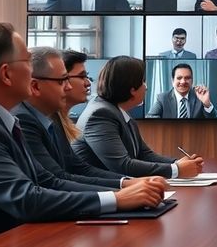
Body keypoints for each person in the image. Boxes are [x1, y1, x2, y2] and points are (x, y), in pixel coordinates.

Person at [0, 23, 165, 245]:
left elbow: (46, 180)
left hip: (5, 241)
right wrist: (117, 200)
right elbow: (26, 199)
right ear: (6, 74)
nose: (32, 69)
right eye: (27, 60)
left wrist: (121, 193)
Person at [14, 47, 165, 190]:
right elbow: (54, 180)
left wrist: (127, 183)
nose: (68, 87)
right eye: (62, 80)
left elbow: (78, 167)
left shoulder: (52, 118)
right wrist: (122, 193)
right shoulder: (24, 119)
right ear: (35, 86)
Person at [72, 55, 205, 178]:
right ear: (131, 89)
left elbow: (144, 154)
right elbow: (122, 166)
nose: (146, 88)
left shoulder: (116, 110)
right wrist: (176, 169)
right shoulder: (100, 114)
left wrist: (179, 162)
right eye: (142, 82)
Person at [146, 64, 217, 119]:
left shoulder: (200, 96)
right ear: (172, 80)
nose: (183, 81)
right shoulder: (163, 98)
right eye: (179, 78)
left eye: (187, 78)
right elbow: (150, 117)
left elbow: (216, 120)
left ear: (192, 80)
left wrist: (207, 104)